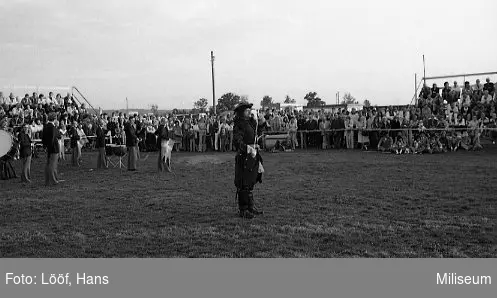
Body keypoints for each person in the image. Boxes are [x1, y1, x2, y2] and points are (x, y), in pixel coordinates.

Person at [232, 102, 264, 219]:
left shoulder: (250, 122)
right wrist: (248, 148)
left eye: (249, 110)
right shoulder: (239, 124)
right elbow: (237, 141)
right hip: (244, 157)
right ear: (241, 112)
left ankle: (250, 207)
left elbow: (257, 131)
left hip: (252, 155)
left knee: (250, 182)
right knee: (244, 183)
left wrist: (261, 121)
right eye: (247, 110)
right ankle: (243, 209)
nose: (249, 112)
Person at [42, 113, 62, 186]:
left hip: (48, 147)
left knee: (48, 165)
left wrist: (45, 147)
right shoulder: (53, 127)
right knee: (53, 165)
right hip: (54, 148)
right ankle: (53, 180)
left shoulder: (46, 126)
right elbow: (53, 138)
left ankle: (48, 180)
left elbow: (43, 138)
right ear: (54, 119)